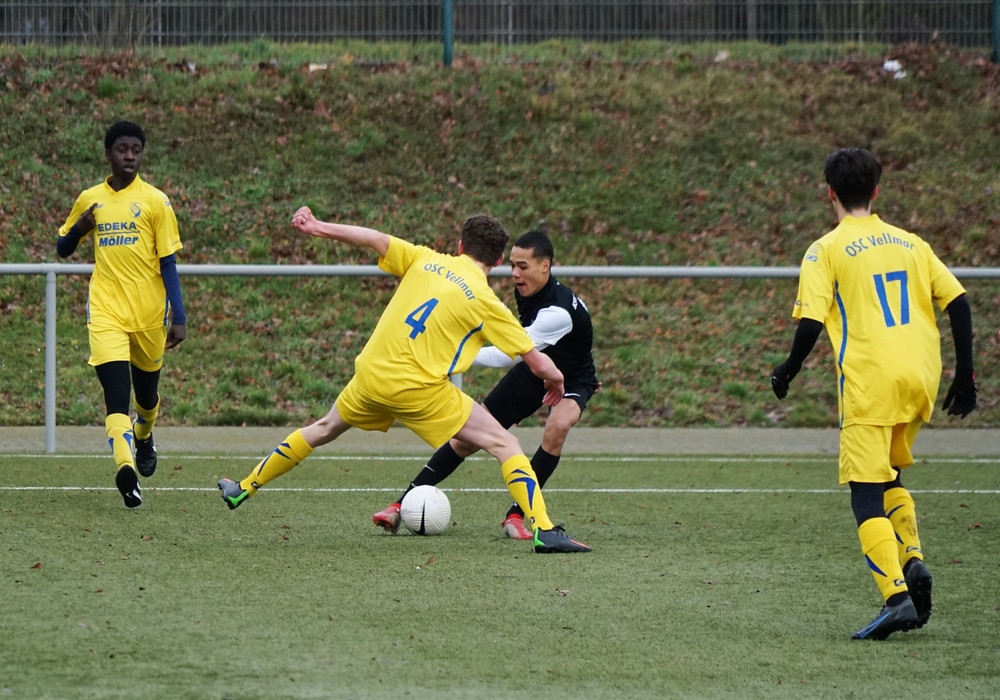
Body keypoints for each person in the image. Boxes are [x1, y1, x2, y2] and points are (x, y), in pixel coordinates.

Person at [217, 209, 591, 554]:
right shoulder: (487, 301)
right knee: (505, 444)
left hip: (370, 376)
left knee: (323, 428)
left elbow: (373, 238)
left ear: (460, 246)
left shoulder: (424, 258)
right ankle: (543, 530)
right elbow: (535, 360)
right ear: (497, 261)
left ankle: (243, 487)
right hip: (419, 391)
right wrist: (557, 379)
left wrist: (318, 227)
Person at [770, 148, 976, 640]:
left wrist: (787, 370)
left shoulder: (826, 249)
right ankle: (913, 560)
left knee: (864, 493)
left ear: (830, 192)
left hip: (871, 382)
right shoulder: (911, 243)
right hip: (920, 377)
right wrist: (965, 376)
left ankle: (896, 598)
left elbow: (811, 321)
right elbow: (959, 301)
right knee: (889, 476)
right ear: (876, 190)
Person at [372, 229, 599, 539]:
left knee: (557, 426)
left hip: (573, 377)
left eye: (523, 267)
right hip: (536, 370)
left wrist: (450, 354)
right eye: (513, 265)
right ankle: (399, 505)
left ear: (545, 266)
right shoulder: (530, 290)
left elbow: (508, 354)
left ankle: (517, 517)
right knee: (467, 439)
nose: (515, 273)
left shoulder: (556, 313)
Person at [56, 120, 187, 508]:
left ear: (141, 155)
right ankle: (126, 469)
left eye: (136, 150)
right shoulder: (90, 199)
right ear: (108, 155)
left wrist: (179, 316)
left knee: (146, 399)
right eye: (122, 149)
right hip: (106, 312)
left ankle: (144, 436)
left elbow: (168, 263)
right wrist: (79, 228)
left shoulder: (156, 202)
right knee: (116, 397)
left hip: (149, 316)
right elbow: (63, 248)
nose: (129, 155)